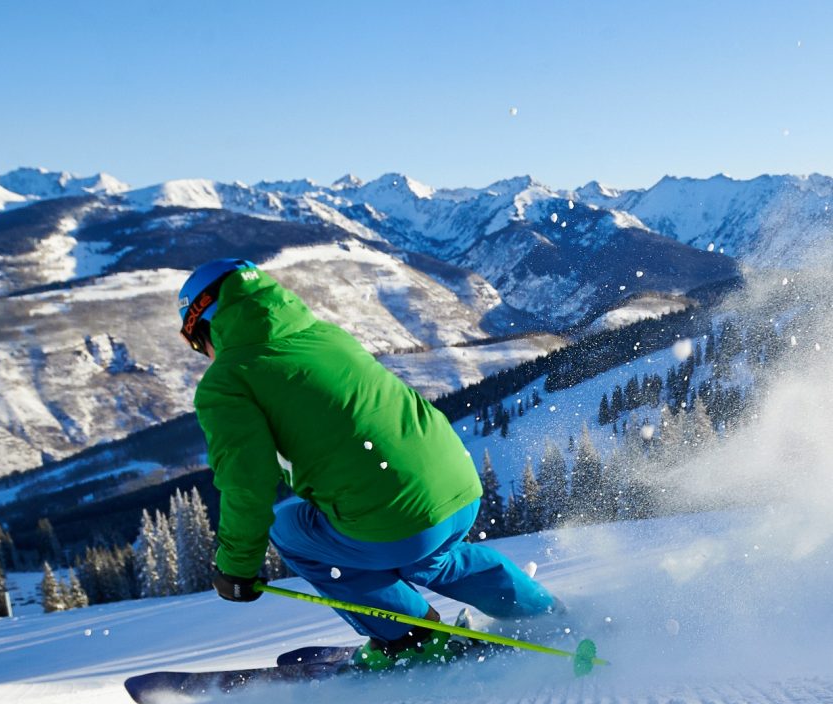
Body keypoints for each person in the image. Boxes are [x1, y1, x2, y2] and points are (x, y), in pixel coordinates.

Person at [178, 257, 558, 668]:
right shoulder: (324, 335)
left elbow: (246, 484)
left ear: (206, 324)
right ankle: (546, 615)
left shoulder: (229, 380)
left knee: (288, 529)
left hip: (395, 519)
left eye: (198, 345)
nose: (205, 355)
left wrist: (236, 569)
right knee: (435, 557)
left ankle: (411, 637)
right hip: (459, 489)